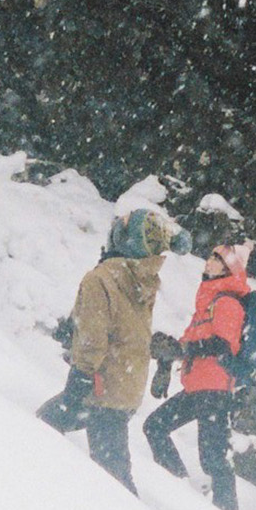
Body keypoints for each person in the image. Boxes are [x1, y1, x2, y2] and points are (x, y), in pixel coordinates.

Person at [38, 206, 184, 492]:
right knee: (113, 467)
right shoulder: (142, 278)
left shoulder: (100, 278)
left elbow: (94, 339)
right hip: (125, 389)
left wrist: (77, 383)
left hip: (99, 390)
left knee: (42, 429)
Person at [143, 239, 256, 510]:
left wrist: (182, 349)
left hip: (214, 390)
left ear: (228, 269)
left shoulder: (226, 303)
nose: (209, 261)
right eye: (211, 256)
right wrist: (168, 360)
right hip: (199, 388)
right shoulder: (210, 302)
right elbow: (193, 342)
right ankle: (179, 489)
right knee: (156, 427)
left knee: (213, 461)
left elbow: (223, 345)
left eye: (217, 258)